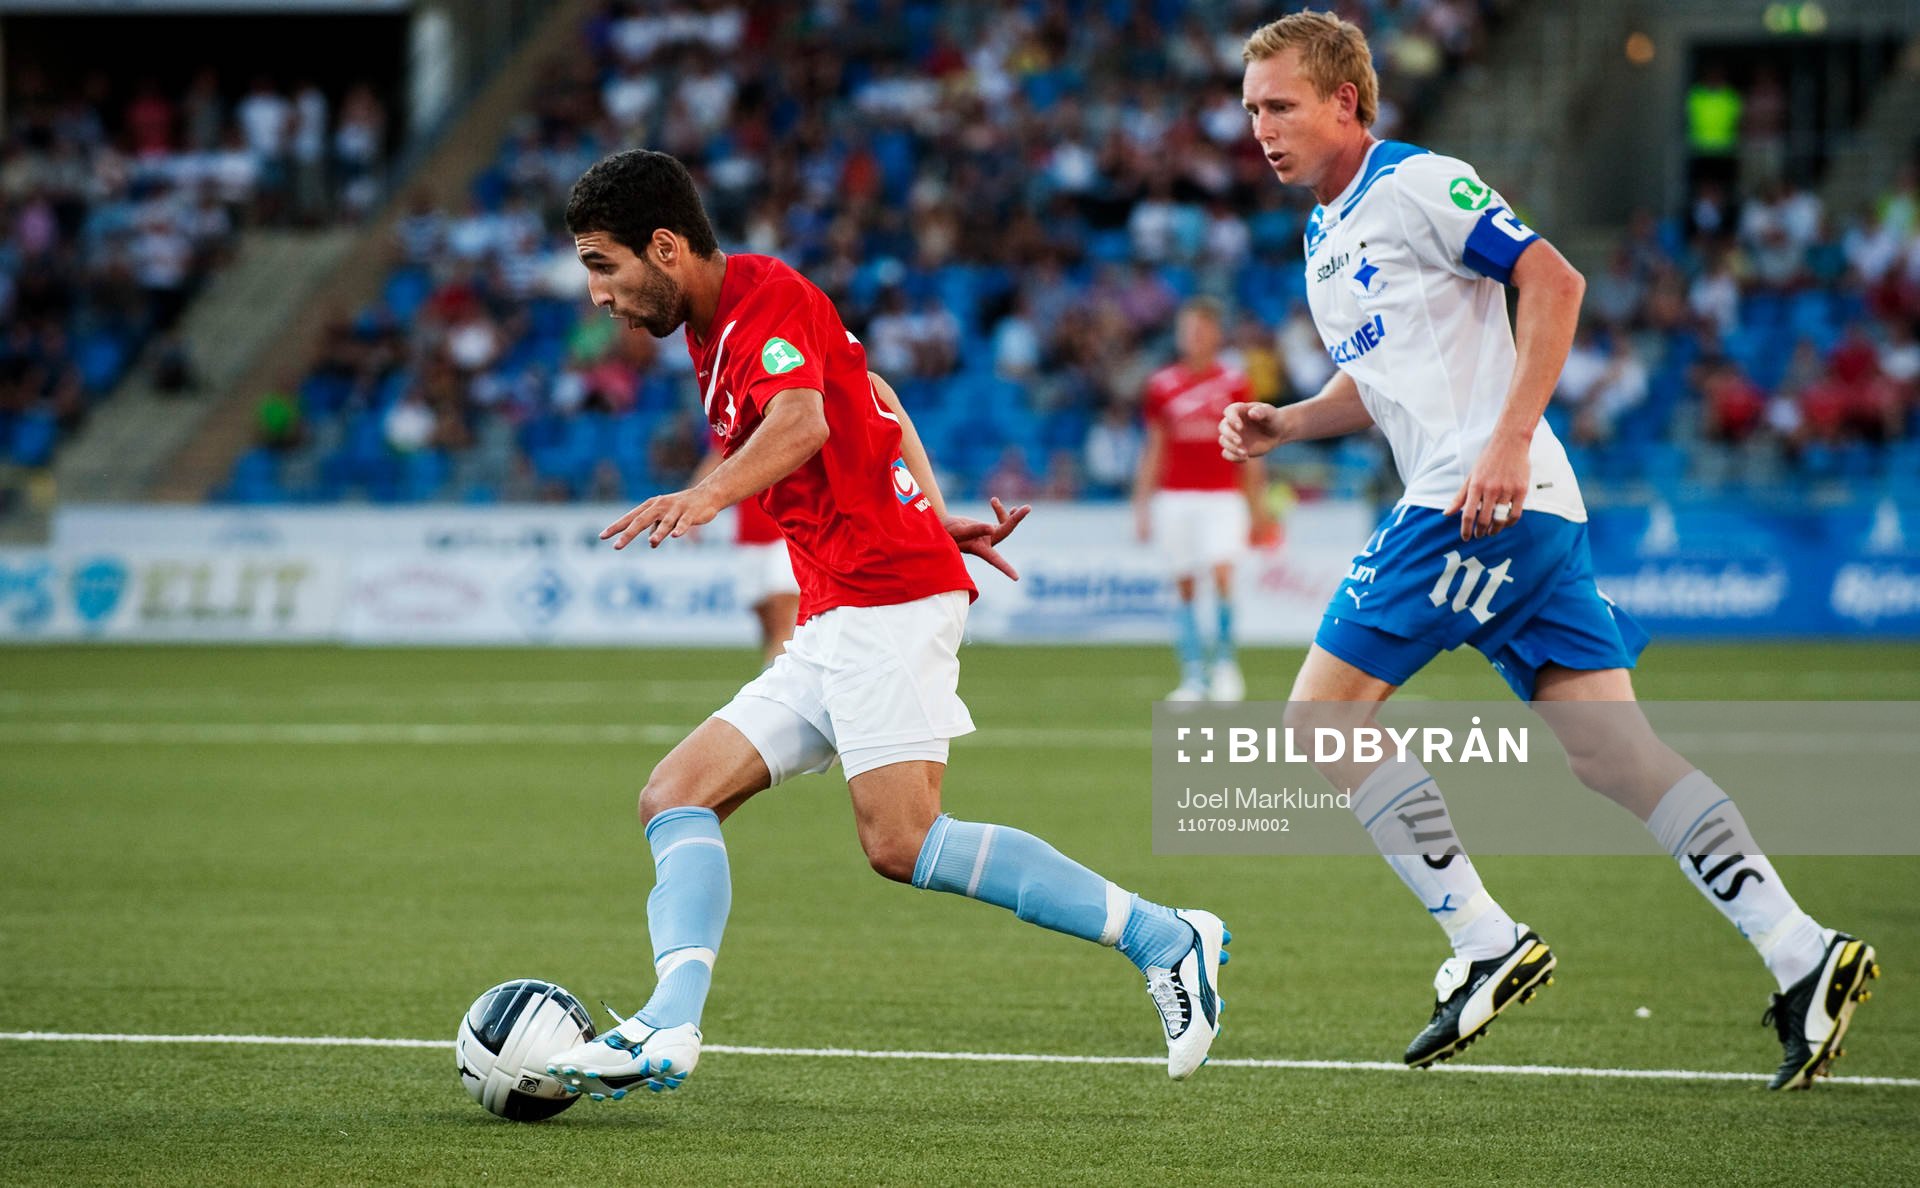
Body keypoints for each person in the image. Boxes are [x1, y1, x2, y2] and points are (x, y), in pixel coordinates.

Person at [1222, 12, 1875, 1089]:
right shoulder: (1323, 234)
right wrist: (1290, 420)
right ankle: (1803, 953)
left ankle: (1483, 940)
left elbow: (1555, 281)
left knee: (1319, 717)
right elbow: (1382, 382)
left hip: (1477, 501)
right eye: (1250, 110)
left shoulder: (1419, 184)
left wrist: (1509, 443)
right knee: (1614, 756)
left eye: (1279, 105)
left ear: (1347, 101)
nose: (1261, 129)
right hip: (1519, 508)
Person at [545, 150, 1230, 1097]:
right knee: (676, 794)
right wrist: (930, 506)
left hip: (886, 596)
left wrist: (707, 497)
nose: (595, 294)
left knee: (901, 842)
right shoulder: (715, 328)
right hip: (842, 599)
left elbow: (804, 426)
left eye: (602, 264)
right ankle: (668, 1024)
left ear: (665, 247)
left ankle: (1167, 934)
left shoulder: (761, 297)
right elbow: (876, 400)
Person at [1132, 298, 1272, 701]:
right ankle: (1194, 674)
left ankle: (1226, 663)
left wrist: (1257, 505)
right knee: (1185, 584)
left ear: (1214, 334)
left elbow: (1250, 449)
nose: (1193, 337)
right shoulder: (1161, 386)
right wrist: (1142, 504)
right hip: (1175, 497)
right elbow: (1154, 447)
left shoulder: (1234, 383)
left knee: (1224, 574)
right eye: (1187, 329)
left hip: (1223, 496)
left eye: (1201, 329)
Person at [693, 433, 801, 666]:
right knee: (767, 621)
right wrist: (693, 500)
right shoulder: (732, 411)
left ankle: (779, 688)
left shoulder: (791, 406)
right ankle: (779, 671)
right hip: (749, 536)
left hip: (788, 532)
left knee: (783, 612)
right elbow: (718, 456)